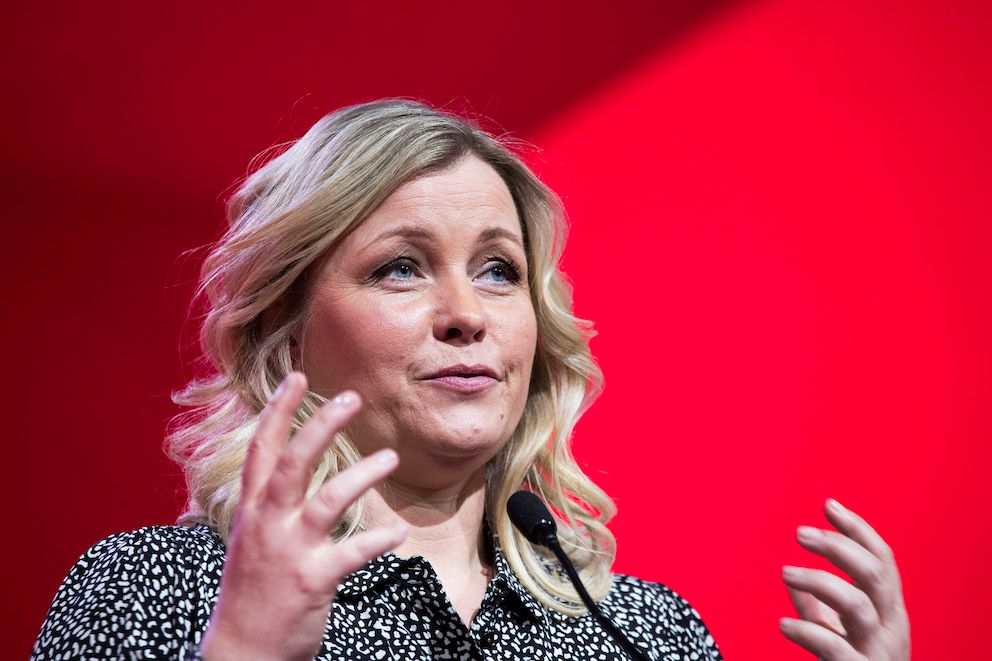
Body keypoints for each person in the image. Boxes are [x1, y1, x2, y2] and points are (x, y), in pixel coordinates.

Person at [32, 99, 910, 660]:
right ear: (286, 331)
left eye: (498, 270)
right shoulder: (155, 586)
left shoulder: (646, 634)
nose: (467, 312)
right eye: (401, 269)